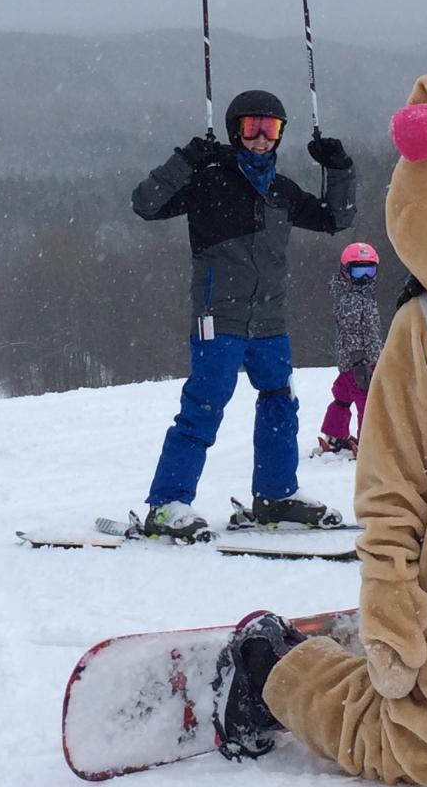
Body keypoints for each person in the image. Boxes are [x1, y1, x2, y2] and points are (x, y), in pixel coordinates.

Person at [129, 88, 355, 541]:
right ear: (234, 130)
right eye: (251, 128)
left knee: (280, 404)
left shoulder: (280, 190)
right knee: (203, 408)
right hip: (219, 318)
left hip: (270, 322)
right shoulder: (209, 180)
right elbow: (145, 203)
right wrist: (186, 159)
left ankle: (275, 496)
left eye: (270, 129)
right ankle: (167, 504)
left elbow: (336, 219)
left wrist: (339, 167)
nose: (260, 139)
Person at [314, 241, 382, 459]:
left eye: (369, 271)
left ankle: (335, 433)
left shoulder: (357, 294)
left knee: (343, 395)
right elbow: (353, 331)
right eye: (358, 271)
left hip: (351, 361)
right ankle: (369, 443)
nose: (364, 278)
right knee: (367, 400)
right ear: (346, 271)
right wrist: (360, 360)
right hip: (360, 361)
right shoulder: (352, 299)